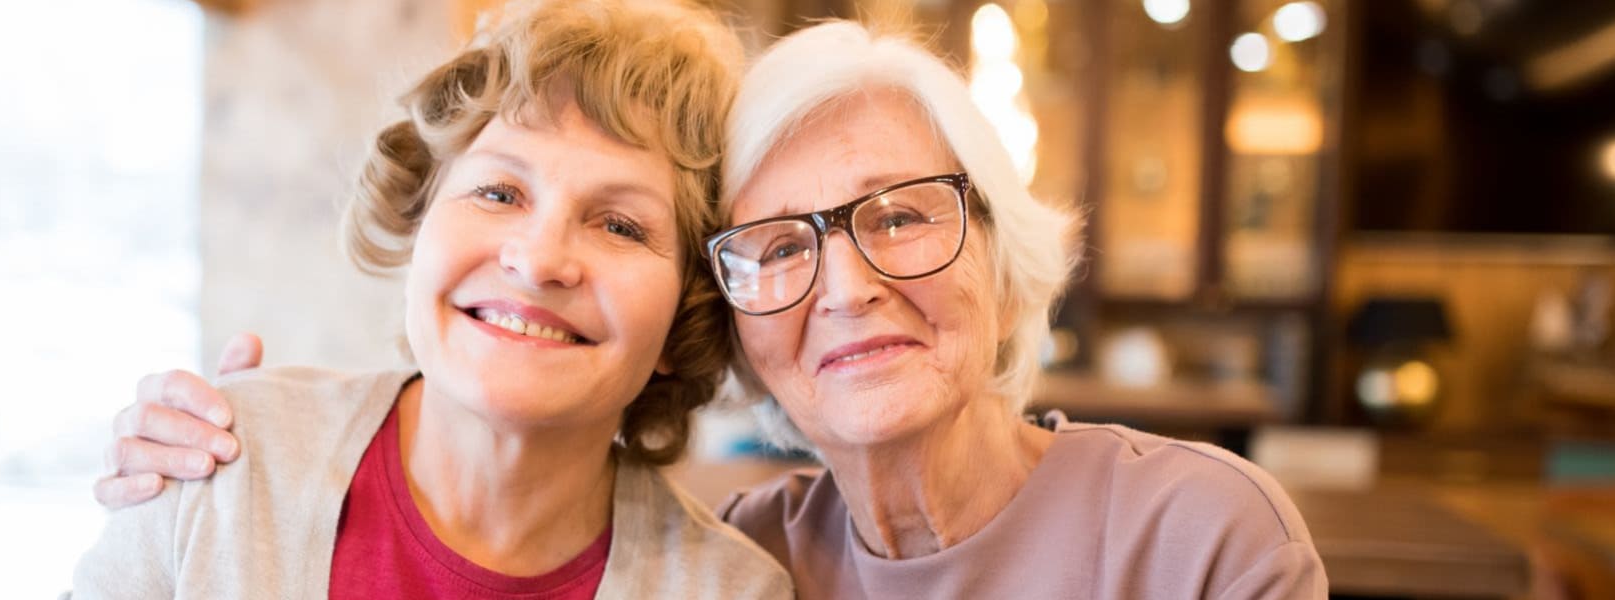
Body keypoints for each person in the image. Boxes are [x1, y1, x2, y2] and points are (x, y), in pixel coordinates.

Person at [101, 19, 1327, 600]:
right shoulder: (227, 471)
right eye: (781, 245)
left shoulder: (730, 585)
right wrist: (205, 454)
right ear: (735, 310)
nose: (845, 284)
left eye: (898, 215)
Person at [71, 1, 791, 597]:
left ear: (686, 314)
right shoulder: (223, 465)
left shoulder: (730, 589)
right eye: (499, 192)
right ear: (419, 218)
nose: (539, 261)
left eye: (620, 225)